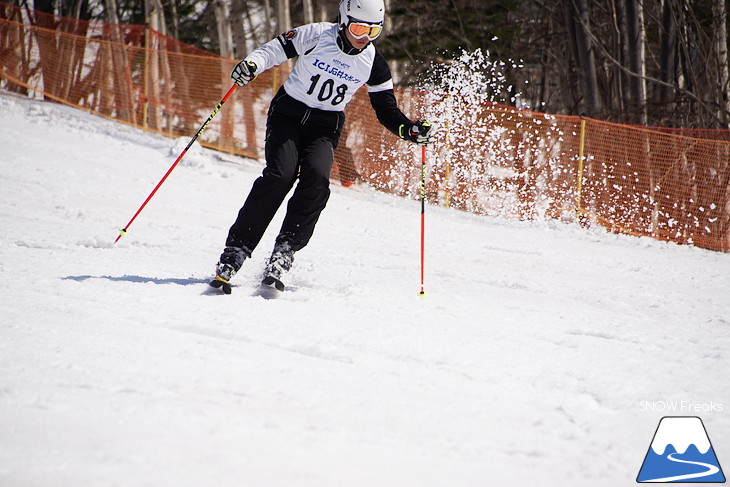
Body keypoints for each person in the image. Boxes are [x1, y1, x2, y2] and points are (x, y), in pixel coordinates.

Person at [211, 0, 432, 293]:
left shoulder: (373, 63)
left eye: (372, 31)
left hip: (324, 126)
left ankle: (284, 250)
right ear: (343, 19)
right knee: (280, 175)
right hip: (288, 115)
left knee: (316, 178)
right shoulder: (318, 35)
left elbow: (386, 110)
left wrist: (408, 129)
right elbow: (274, 50)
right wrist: (252, 64)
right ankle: (236, 250)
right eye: (358, 27)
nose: (363, 37)